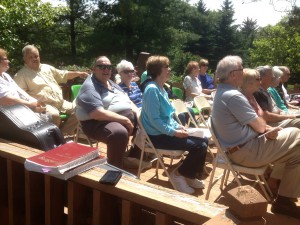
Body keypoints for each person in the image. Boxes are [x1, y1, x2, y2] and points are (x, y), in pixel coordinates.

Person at [212, 55, 300, 219]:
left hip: (242, 149)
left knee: (297, 152)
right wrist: (265, 128)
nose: (244, 71)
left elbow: (258, 123)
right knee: (297, 134)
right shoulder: (233, 95)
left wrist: (265, 128)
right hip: (247, 152)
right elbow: (260, 124)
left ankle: (283, 198)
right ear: (233, 74)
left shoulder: (222, 92)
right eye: (241, 69)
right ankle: (282, 197)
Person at [141, 55, 208, 195]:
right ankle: (178, 175)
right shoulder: (152, 90)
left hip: (165, 132)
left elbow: (167, 117)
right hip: (157, 136)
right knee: (199, 146)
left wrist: (178, 127)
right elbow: (155, 120)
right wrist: (174, 132)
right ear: (158, 70)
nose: (169, 69)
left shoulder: (161, 88)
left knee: (204, 140)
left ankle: (189, 175)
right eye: (166, 66)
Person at [75, 56, 151, 169]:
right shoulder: (90, 87)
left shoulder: (110, 83)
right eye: (102, 67)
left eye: (109, 67)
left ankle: (132, 157)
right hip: (96, 122)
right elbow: (97, 113)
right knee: (118, 134)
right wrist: (125, 120)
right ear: (94, 69)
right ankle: (114, 170)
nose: (106, 70)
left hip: (115, 117)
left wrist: (139, 113)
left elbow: (127, 99)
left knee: (149, 121)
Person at [13, 45, 87, 135]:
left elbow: (63, 74)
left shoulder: (47, 68)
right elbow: (19, 95)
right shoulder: (21, 75)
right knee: (54, 115)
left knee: (81, 109)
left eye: (36, 56)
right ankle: (54, 138)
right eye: (30, 57)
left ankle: (63, 134)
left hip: (61, 103)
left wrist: (79, 74)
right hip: (44, 105)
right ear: (24, 59)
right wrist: (33, 105)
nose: (34, 59)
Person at [0, 48, 50, 122]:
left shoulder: (5, 76)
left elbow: (20, 92)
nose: (8, 61)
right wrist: (30, 105)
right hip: (8, 117)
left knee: (48, 116)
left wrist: (35, 102)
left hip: (19, 111)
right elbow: (6, 99)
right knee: (47, 119)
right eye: (5, 59)